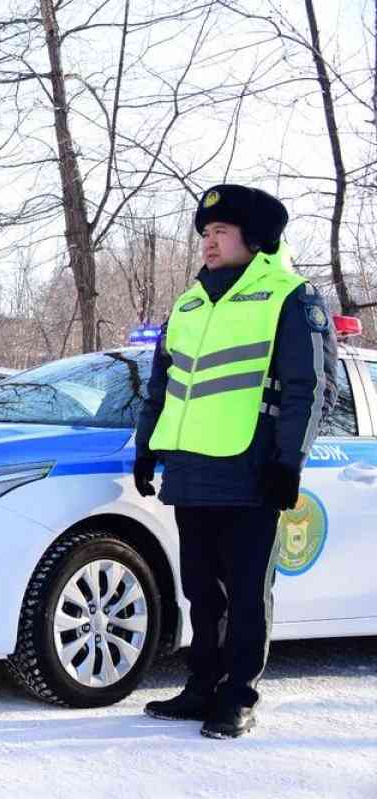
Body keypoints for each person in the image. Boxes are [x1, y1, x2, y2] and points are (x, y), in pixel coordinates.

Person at [133, 184, 337, 739]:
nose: (209, 242)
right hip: (191, 471)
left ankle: (239, 696)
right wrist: (147, 447)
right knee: (201, 590)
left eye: (220, 232)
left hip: (251, 470)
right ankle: (202, 686)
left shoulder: (291, 296)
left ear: (255, 237)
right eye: (205, 233)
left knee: (247, 592)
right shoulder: (189, 302)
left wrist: (288, 461)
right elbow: (162, 386)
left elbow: (311, 387)